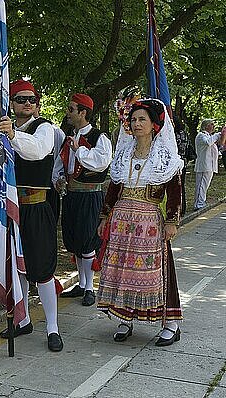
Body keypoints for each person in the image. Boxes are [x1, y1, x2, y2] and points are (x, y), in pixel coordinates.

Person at [96, 99, 184, 346]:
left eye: (142, 119)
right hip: (122, 222)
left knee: (159, 272)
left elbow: (175, 191)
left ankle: (171, 323)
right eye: (133, 119)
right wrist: (105, 217)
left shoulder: (165, 157)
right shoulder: (124, 154)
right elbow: (113, 189)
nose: (136, 124)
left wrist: (172, 220)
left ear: (155, 124)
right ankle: (125, 319)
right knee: (122, 271)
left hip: (149, 223)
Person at [0, 79, 63, 352]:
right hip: (11, 208)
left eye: (31, 99)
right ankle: (22, 319)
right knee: (16, 266)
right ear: (11, 103)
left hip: (36, 207)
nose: (27, 103)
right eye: (21, 99)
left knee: (42, 268)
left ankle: (53, 327)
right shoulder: (3, 131)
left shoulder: (44, 127)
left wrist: (12, 136)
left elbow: (37, 151)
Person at [55, 94, 112, 307]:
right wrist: (59, 179)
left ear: (83, 112)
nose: (67, 113)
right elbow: (62, 164)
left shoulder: (99, 138)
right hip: (71, 195)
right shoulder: (69, 137)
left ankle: (89, 287)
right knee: (75, 240)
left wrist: (79, 150)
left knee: (88, 240)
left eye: (71, 109)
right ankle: (81, 283)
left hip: (90, 195)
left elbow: (100, 163)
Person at [193, 119, 226, 211]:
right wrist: (216, 135)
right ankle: (198, 204)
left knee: (205, 185)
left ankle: (201, 202)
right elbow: (208, 143)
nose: (213, 126)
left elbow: (218, 146)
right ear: (206, 126)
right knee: (201, 185)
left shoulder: (209, 136)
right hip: (203, 165)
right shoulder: (201, 135)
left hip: (210, 165)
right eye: (211, 124)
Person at [173, 117, 192, 214]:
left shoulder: (174, 135)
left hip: (175, 163)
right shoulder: (185, 134)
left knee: (175, 187)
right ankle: (182, 208)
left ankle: (177, 209)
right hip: (183, 162)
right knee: (181, 186)